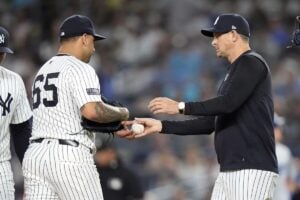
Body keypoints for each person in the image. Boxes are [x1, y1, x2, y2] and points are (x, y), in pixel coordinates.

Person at [117, 13, 279, 200]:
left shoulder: (251, 62)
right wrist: (160, 126)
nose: (213, 41)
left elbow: (227, 104)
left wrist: (180, 106)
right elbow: (210, 123)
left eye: (218, 35)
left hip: (251, 168)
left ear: (234, 35)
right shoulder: (233, 72)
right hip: (232, 169)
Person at [22, 15, 129, 200]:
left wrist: (113, 126)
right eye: (93, 42)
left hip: (35, 157)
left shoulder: (42, 71)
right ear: (85, 38)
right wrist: (122, 114)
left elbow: (68, 114)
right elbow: (91, 111)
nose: (94, 48)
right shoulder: (80, 68)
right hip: (69, 156)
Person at [0, 26, 32, 200]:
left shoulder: (13, 81)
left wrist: (30, 177)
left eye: (0, 53)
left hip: (1, 168)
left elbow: (21, 131)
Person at [273, 114, 297, 200]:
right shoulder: (261, 149)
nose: (280, 131)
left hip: (282, 195)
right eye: (276, 128)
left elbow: (292, 176)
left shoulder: (285, 151)